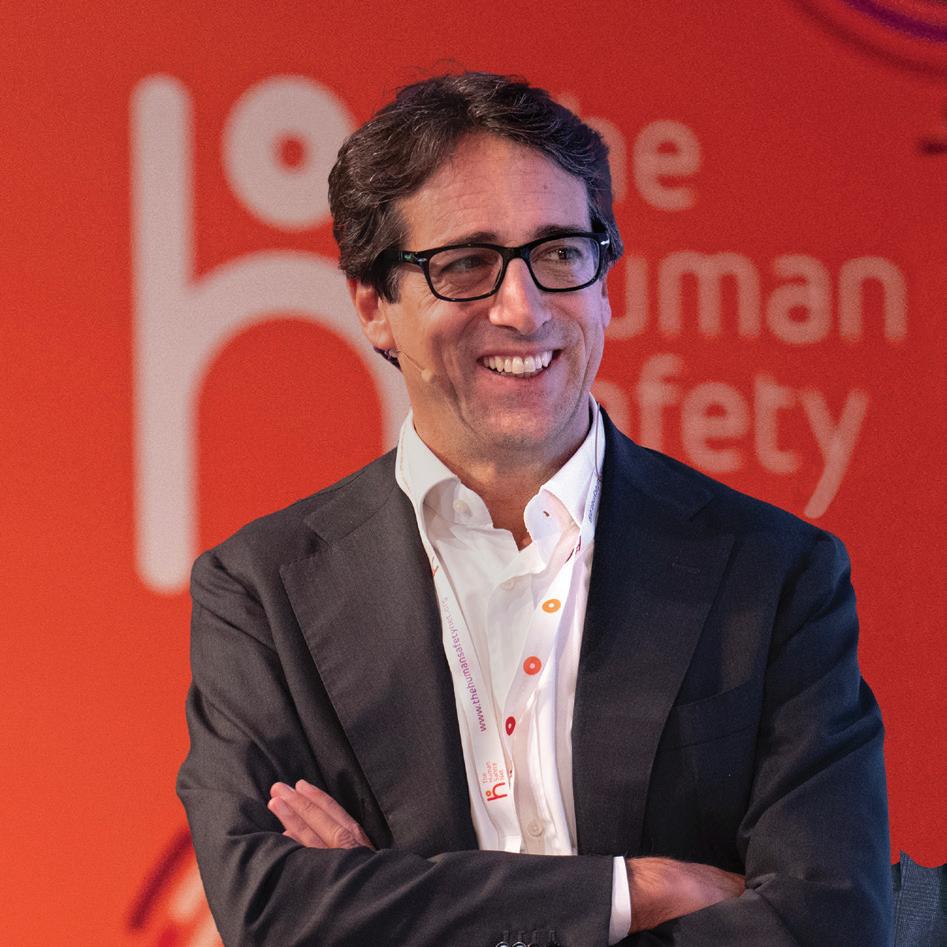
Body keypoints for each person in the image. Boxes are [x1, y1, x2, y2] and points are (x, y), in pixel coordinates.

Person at [177, 72, 892, 946]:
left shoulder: (773, 572)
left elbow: (828, 921)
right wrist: (636, 890)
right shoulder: (261, 591)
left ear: (603, 282)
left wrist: (387, 901)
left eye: (558, 253)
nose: (523, 308)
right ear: (373, 306)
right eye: (465, 265)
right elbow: (272, 909)